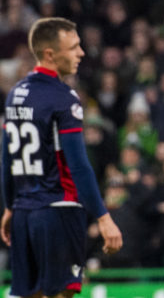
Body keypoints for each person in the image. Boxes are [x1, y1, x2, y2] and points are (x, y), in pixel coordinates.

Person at [1, 17, 123, 298]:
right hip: (58, 211)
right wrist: (103, 217)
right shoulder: (63, 98)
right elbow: (78, 165)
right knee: (60, 294)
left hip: (22, 214)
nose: (81, 53)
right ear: (49, 54)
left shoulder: (15, 94)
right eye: (73, 47)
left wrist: (10, 207)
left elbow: (6, 159)